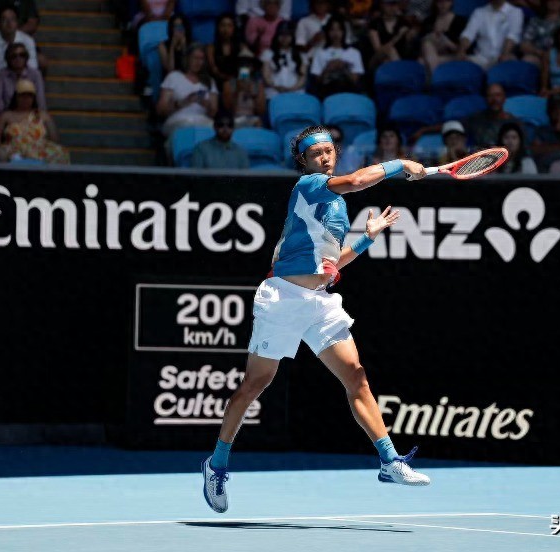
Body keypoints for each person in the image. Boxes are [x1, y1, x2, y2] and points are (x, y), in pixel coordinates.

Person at [200, 125, 431, 514]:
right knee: (256, 384)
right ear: (304, 162)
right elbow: (359, 180)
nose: (324, 158)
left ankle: (390, 462)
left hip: (319, 301)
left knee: (356, 375)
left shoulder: (338, 208)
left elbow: (331, 265)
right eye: (316, 154)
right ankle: (217, 464)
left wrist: (368, 237)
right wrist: (400, 164)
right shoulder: (310, 185)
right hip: (283, 299)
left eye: (328, 151)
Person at [157, 44, 219, 137]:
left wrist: (206, 105)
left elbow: (213, 112)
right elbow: (161, 110)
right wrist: (183, 102)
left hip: (202, 121)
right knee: (186, 130)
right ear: (187, 58)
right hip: (178, 120)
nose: (198, 62)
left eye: (201, 59)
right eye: (195, 58)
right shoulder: (173, 77)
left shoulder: (209, 82)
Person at [0, 5, 38, 92]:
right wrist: (3, 82)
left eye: (12, 19)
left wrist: (19, 82)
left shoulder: (28, 41)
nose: (9, 23)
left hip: (22, 77)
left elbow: (32, 68)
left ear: (17, 22)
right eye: (4, 19)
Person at [309, 15, 364, 98]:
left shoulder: (354, 53)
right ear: (327, 32)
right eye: (332, 30)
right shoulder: (320, 52)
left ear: (343, 32)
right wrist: (327, 68)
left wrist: (343, 67)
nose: (335, 33)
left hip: (348, 91)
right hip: (327, 91)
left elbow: (355, 81)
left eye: (339, 29)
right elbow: (317, 82)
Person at [458, 0, 523, 69]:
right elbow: (468, 34)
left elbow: (512, 36)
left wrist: (504, 54)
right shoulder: (479, 12)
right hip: (480, 58)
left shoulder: (515, 12)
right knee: (452, 62)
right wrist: (461, 51)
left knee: (510, 62)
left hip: (501, 58)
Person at [521, 0, 560, 66]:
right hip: (541, 57)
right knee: (528, 59)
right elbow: (524, 45)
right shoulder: (536, 21)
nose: (554, 1)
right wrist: (540, 52)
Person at [0, 42, 46, 114]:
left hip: (31, 116)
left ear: (26, 57)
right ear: (8, 59)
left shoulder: (35, 74)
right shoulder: (1, 75)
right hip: (8, 116)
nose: (18, 58)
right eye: (14, 56)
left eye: (22, 55)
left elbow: (40, 101)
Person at [261, 20, 307, 99]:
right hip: (274, 93)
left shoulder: (301, 55)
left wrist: (292, 89)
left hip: (296, 93)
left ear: (293, 37)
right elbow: (266, 76)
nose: (284, 38)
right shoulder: (268, 53)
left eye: (288, 35)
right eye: (281, 34)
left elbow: (302, 78)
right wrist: (276, 87)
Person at [419, 0, 468, 73]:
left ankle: (435, 77)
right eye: (440, 1)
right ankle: (436, 77)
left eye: (446, 1)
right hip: (432, 53)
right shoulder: (428, 21)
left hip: (452, 56)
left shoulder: (461, 21)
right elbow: (419, 43)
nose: (443, 4)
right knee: (427, 43)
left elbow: (464, 49)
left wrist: (447, 42)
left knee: (422, 61)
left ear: (451, 2)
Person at [364, 0, 413, 71]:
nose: (392, 7)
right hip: (376, 60)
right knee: (390, 50)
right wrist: (398, 36)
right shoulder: (374, 24)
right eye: (389, 4)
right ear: (382, 5)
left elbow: (409, 47)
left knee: (387, 62)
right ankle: (402, 74)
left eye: (394, 4)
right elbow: (379, 51)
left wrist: (410, 36)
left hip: (397, 58)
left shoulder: (404, 23)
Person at [531, 94, 560, 172]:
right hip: (547, 168)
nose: (558, 113)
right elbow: (535, 150)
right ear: (548, 113)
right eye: (554, 110)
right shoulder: (542, 130)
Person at [222, 56, 267, 128]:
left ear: (252, 68)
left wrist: (253, 95)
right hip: (235, 118)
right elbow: (228, 108)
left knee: (259, 123)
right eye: (241, 65)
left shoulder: (258, 85)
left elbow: (261, 110)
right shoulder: (229, 84)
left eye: (247, 65)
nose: (244, 68)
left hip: (252, 118)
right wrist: (237, 91)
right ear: (237, 67)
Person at [206, 13, 243, 92]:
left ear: (234, 28)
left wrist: (242, 80)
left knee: (256, 87)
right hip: (219, 82)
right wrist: (229, 79)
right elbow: (214, 70)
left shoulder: (241, 47)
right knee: (229, 85)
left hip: (238, 81)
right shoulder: (211, 48)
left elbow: (246, 67)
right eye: (223, 25)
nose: (226, 29)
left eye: (229, 26)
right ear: (218, 28)